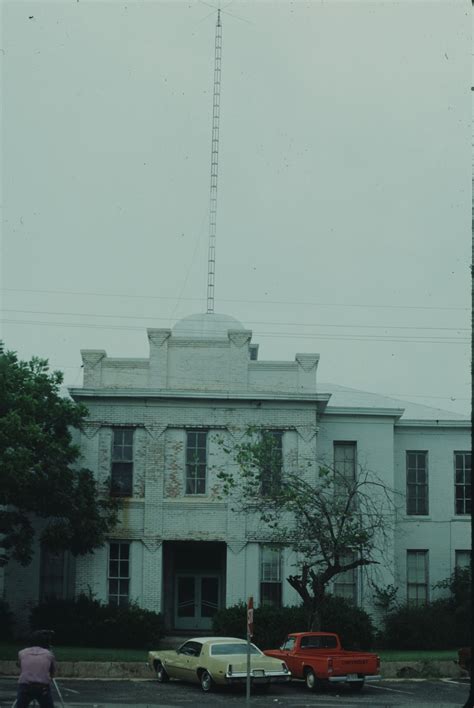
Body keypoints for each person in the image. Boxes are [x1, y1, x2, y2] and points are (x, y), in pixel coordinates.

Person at [16, 630, 57, 708]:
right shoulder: (49, 654)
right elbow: (52, 672)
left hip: (25, 686)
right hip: (42, 687)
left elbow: (20, 666)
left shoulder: (22, 653)